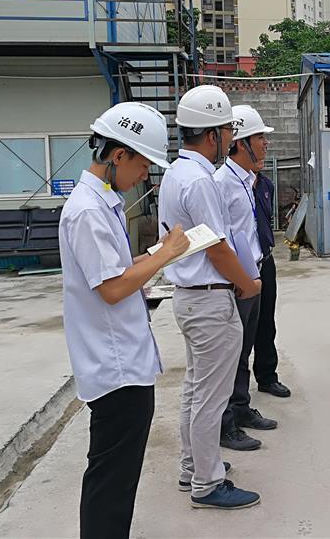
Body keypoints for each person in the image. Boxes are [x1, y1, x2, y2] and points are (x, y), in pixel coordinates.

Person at [60, 102, 189, 538]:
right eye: (143, 165)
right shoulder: (88, 211)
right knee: (111, 480)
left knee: (116, 477)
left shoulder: (102, 203)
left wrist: (155, 254)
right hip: (114, 369)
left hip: (123, 361)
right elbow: (113, 288)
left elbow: (113, 269)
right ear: (118, 155)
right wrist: (166, 255)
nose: (145, 176)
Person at [158, 85, 262, 510]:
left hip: (190, 295)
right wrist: (247, 283)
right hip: (209, 297)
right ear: (214, 134)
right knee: (211, 396)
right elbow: (217, 247)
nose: (230, 139)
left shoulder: (175, 173)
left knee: (195, 389)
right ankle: (207, 482)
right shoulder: (201, 180)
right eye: (228, 131)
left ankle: (193, 467)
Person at [214, 105, 279, 451]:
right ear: (239, 143)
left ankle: (240, 408)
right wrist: (240, 280)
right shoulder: (221, 184)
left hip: (256, 269)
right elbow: (220, 241)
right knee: (231, 353)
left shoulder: (252, 181)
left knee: (247, 344)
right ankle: (225, 423)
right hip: (237, 278)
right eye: (259, 138)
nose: (266, 144)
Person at [251, 156, 290, 398]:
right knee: (242, 326)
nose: (263, 155)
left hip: (265, 259)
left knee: (266, 321)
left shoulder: (266, 185)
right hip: (241, 263)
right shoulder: (224, 183)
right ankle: (236, 387)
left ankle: (267, 376)